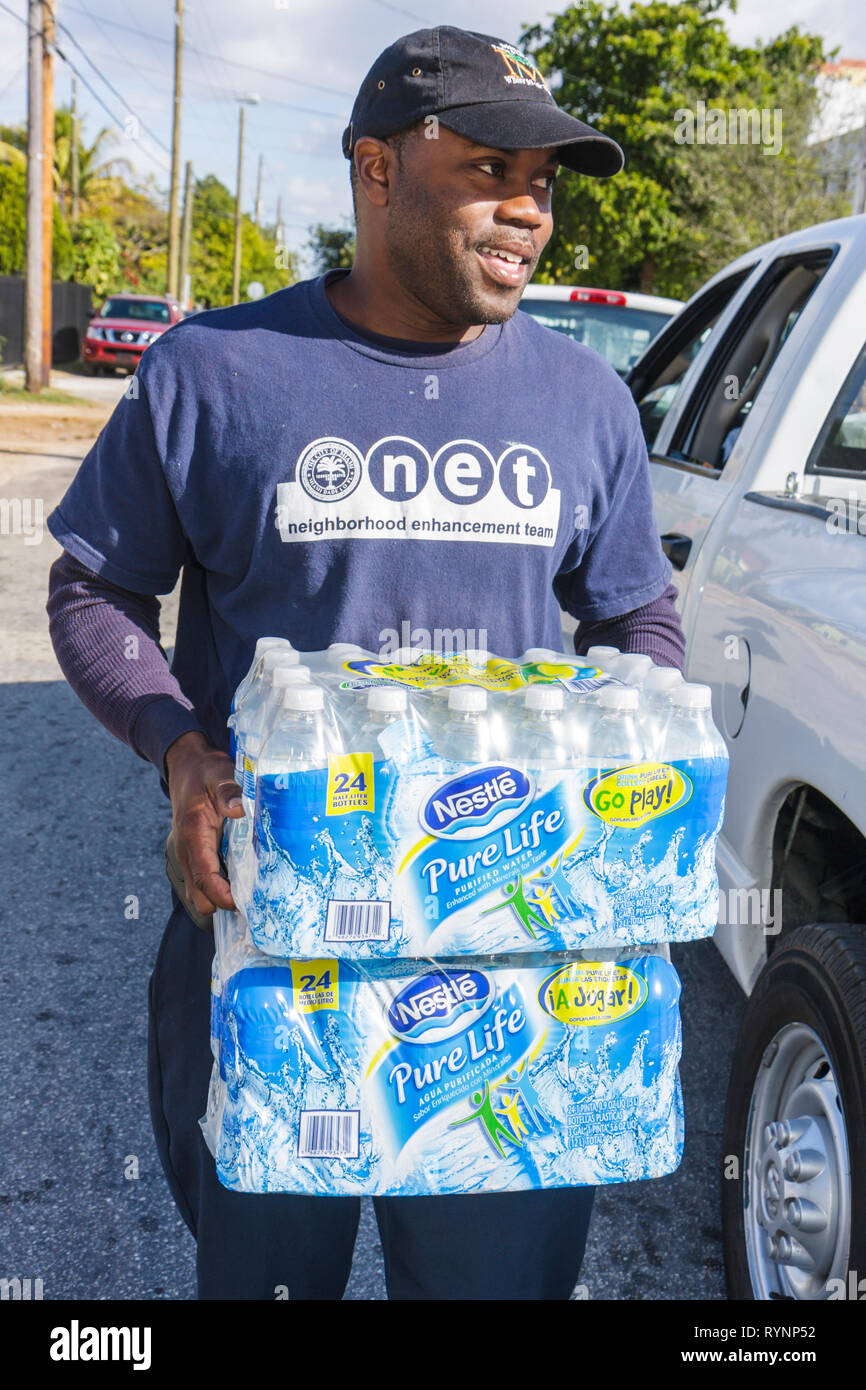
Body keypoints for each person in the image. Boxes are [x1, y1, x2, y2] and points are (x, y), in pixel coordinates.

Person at [46, 26, 685, 1300]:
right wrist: (181, 752)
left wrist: (634, 762)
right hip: (274, 950)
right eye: (491, 167)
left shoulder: (583, 403)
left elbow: (635, 622)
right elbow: (94, 585)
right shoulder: (214, 373)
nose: (528, 210)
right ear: (375, 168)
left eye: (545, 181)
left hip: (510, 969)